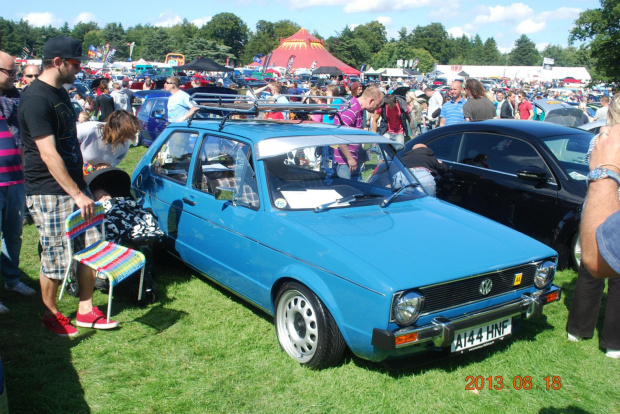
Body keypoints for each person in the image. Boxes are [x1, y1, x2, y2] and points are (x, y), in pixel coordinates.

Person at [18, 36, 118, 336]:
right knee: (57, 256)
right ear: (58, 62)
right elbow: (48, 154)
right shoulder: (36, 99)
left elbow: (69, 142)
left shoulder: (61, 93)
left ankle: (86, 310)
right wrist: (75, 193)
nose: (80, 69)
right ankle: (51, 314)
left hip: (76, 185)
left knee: (92, 247)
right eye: (75, 64)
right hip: (49, 189)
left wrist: (83, 184)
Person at [567, 95, 620, 359]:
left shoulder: (600, 137)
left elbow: (591, 167)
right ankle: (612, 341)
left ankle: (579, 329)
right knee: (604, 269)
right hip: (606, 201)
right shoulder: (602, 137)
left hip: (598, 203)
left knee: (592, 267)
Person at [0, 51, 36, 314]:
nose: (15, 77)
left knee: (14, 233)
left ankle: (12, 280)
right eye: (10, 72)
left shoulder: (16, 99)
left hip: (15, 179)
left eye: (15, 72)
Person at [333, 86, 384, 180]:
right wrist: (349, 158)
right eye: (377, 105)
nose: (376, 109)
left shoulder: (358, 109)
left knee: (357, 191)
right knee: (347, 191)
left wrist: (359, 154)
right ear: (371, 101)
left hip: (352, 159)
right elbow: (339, 136)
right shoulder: (350, 110)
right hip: (344, 162)